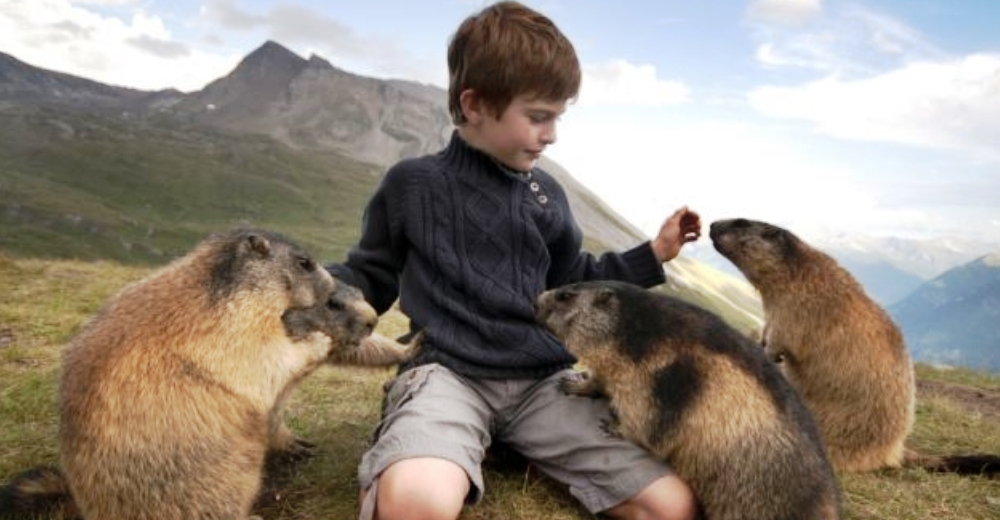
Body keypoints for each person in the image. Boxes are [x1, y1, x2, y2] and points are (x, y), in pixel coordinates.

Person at [327, 2, 702, 519]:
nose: (551, 134)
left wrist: (653, 255)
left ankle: (518, 448)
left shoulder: (548, 194)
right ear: (475, 104)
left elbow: (576, 283)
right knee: (415, 504)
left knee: (671, 507)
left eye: (557, 117)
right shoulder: (411, 186)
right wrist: (309, 292)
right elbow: (368, 275)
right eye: (538, 116)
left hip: (543, 385)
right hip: (447, 376)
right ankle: (458, 444)